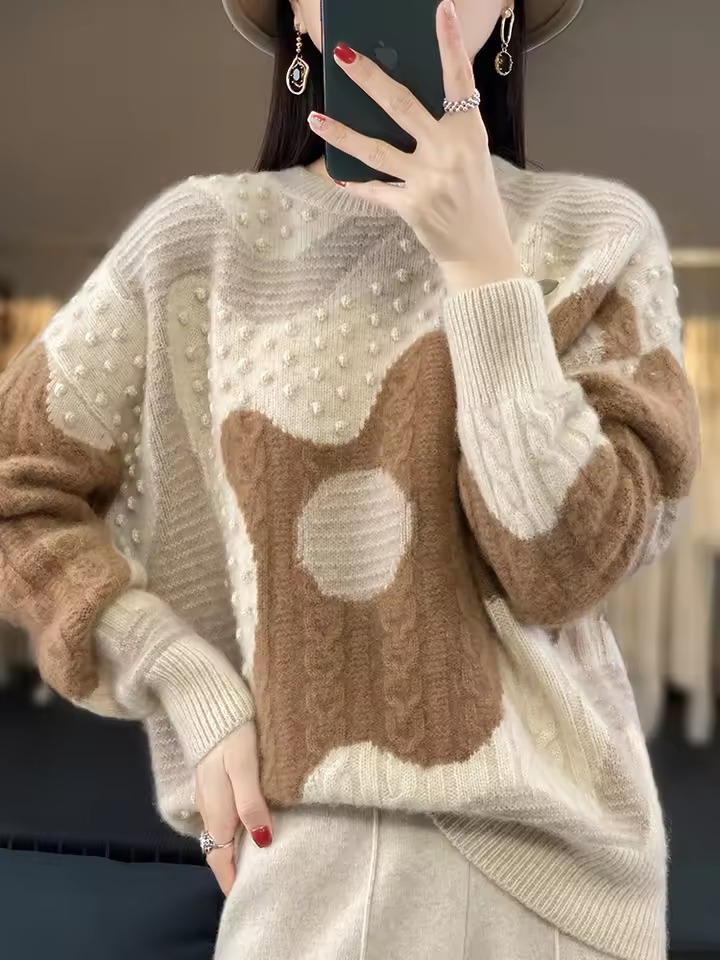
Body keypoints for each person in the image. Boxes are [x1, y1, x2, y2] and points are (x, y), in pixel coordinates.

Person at [0, 0, 699, 957]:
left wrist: (482, 265)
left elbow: (562, 568)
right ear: (298, 13)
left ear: (506, 14)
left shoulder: (598, 239)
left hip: (559, 892)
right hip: (302, 877)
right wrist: (182, 678)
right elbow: (15, 486)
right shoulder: (201, 242)